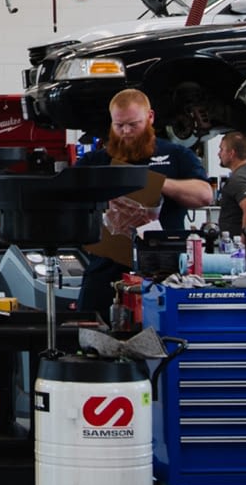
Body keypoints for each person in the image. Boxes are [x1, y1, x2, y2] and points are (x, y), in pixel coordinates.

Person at [77, 89, 216, 319]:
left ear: (150, 117)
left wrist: (154, 183)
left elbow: (204, 195)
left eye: (133, 124)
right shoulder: (96, 161)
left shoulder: (175, 155)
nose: (126, 132)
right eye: (119, 126)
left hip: (162, 274)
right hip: (105, 273)